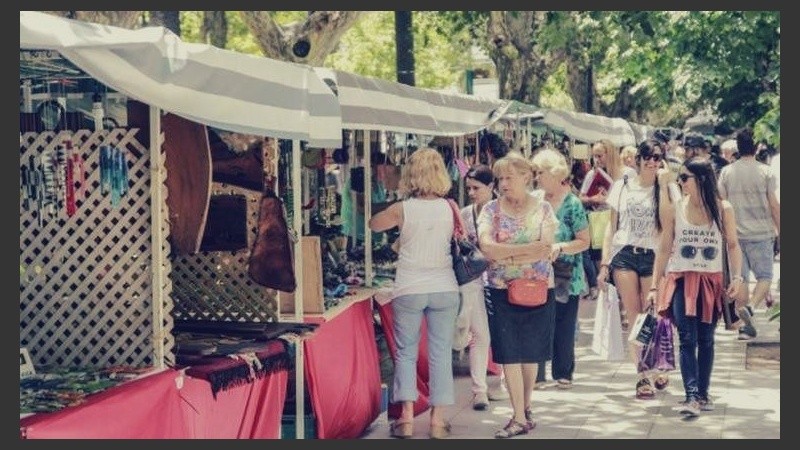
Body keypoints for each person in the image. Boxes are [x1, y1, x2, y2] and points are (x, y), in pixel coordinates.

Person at [368, 147, 459, 439]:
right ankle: (438, 420)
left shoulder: (403, 208)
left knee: (406, 352)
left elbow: (373, 224)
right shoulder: (451, 207)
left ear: (411, 174)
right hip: (444, 286)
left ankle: (406, 417)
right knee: (441, 352)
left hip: (409, 287)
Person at [648, 157, 743, 417]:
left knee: (706, 339)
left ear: (700, 179)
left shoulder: (723, 209)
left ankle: (702, 393)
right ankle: (691, 396)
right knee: (687, 339)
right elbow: (665, 247)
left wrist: (737, 278)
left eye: (684, 177)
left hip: (711, 282)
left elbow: (733, 245)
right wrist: (656, 286)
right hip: (681, 279)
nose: (681, 182)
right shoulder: (675, 207)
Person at [476, 152, 558, 438]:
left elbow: (546, 247)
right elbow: (487, 248)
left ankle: (526, 407)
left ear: (526, 176)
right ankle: (519, 416)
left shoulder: (544, 209)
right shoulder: (490, 210)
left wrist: (505, 255)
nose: (503, 183)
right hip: (500, 290)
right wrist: (523, 253)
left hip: (537, 290)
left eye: (509, 177)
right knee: (509, 353)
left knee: (531, 353)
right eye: (500, 178)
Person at [597, 139, 666, 400]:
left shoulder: (666, 188)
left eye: (657, 157)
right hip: (624, 254)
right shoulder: (622, 186)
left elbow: (670, 228)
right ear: (638, 159)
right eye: (647, 156)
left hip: (652, 256)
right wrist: (605, 263)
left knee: (652, 314)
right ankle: (642, 375)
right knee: (634, 315)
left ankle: (658, 362)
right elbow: (610, 228)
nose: (651, 161)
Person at [532, 149, 591, 389]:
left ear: (554, 173)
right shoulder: (535, 200)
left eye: (540, 173)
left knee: (564, 324)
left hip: (567, 273)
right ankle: (535, 373)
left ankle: (563, 372)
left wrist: (560, 247)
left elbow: (584, 241)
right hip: (537, 272)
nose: (537, 178)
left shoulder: (573, 204)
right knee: (537, 322)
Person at [717, 128, 780, 340]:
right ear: (757, 146)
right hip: (762, 233)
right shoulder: (766, 172)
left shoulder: (727, 172)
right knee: (765, 277)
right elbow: (774, 205)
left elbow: (721, 203)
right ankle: (751, 308)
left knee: (740, 278)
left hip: (735, 235)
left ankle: (746, 327)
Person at [457, 164, 510, 410]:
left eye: (476, 188)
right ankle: (480, 390)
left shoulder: (504, 212)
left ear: (491, 186)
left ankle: (501, 382)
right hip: (475, 281)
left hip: (503, 280)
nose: (471, 192)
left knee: (501, 333)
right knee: (480, 335)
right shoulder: (465, 214)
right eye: (468, 188)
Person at [579, 139, 626, 300]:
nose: (597, 160)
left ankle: (620, 296)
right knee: (601, 260)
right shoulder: (592, 174)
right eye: (594, 156)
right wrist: (594, 199)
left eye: (600, 156)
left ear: (610, 154)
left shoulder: (624, 174)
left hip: (621, 223)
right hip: (599, 222)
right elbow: (582, 197)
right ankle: (607, 296)